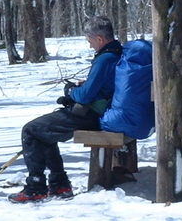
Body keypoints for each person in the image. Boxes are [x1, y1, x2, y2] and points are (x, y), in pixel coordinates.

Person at [8, 16, 123, 203]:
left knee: (31, 130)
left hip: (90, 115)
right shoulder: (117, 53)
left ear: (100, 39)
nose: (90, 45)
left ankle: (36, 186)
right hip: (101, 111)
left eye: (90, 41)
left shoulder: (106, 58)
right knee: (45, 130)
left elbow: (85, 96)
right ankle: (59, 184)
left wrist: (72, 91)